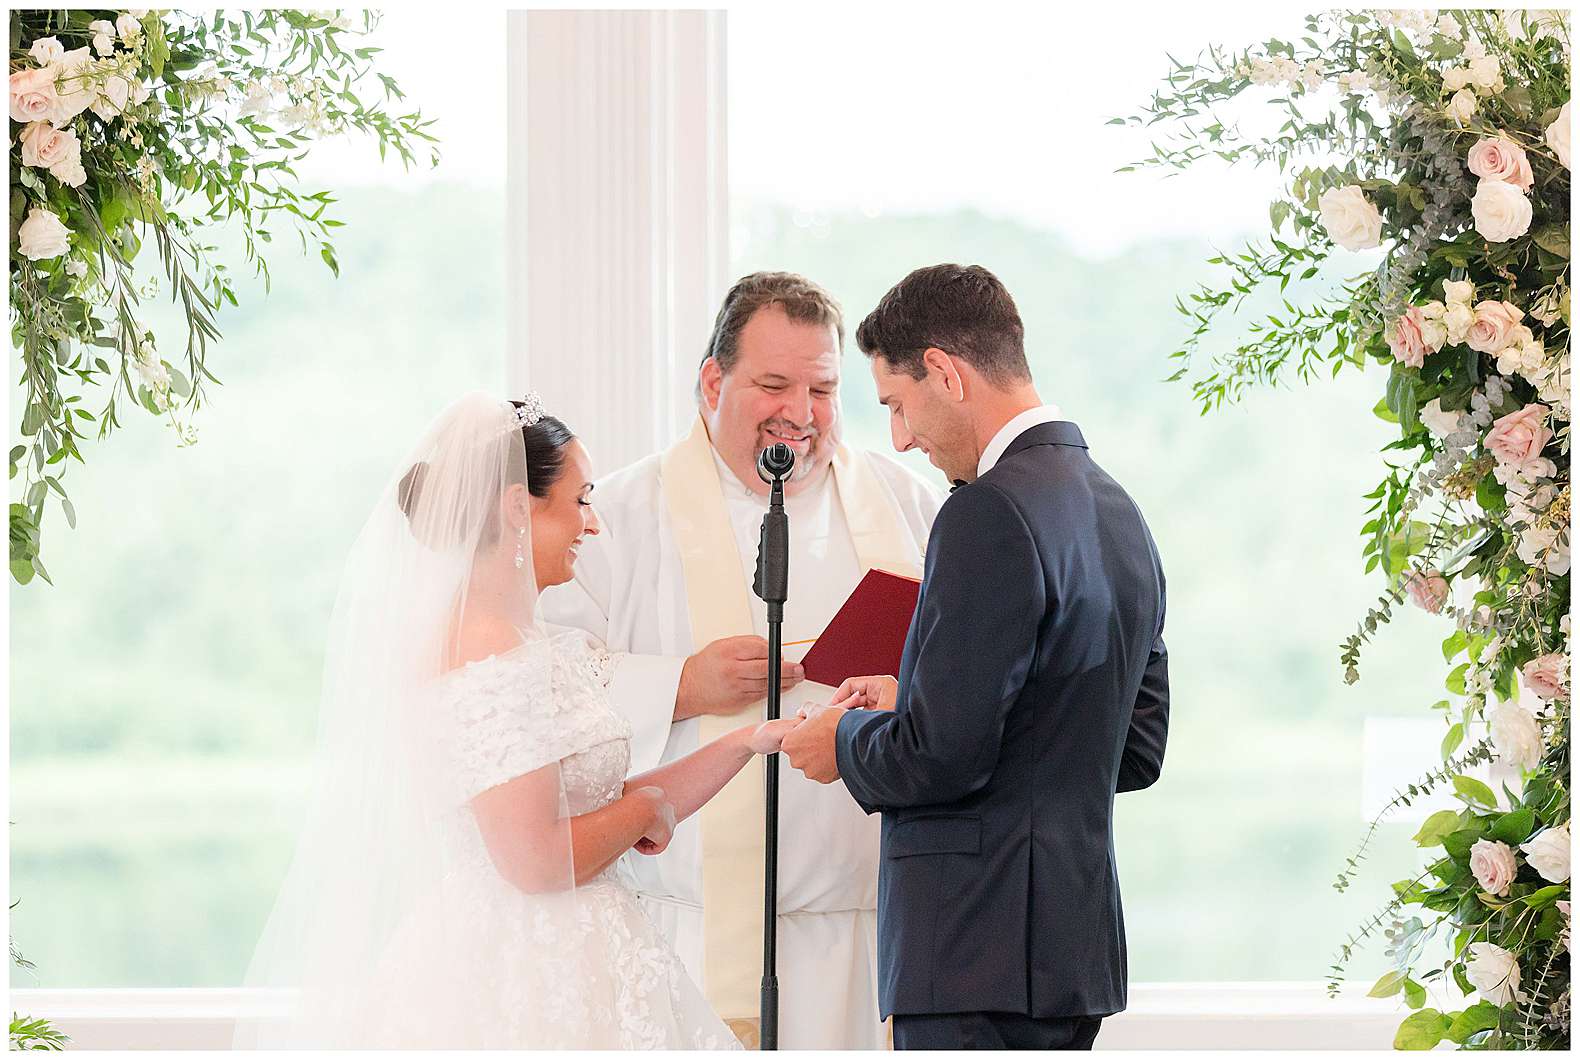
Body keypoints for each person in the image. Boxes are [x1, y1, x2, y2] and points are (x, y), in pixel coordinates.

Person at [236, 392, 797, 1049]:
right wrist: (643, 812)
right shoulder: (485, 647)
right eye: (582, 499)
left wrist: (756, 740)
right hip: (530, 972)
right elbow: (532, 858)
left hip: (581, 951)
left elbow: (590, 805)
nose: (594, 525)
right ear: (516, 509)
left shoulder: (525, 643)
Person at [540, 272, 944, 1047]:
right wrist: (682, 684)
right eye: (772, 384)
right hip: (692, 935)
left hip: (870, 925)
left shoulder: (905, 503)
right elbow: (548, 687)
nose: (799, 413)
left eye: (822, 389)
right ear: (712, 381)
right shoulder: (616, 516)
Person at [781, 264, 1170, 1051]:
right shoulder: (1118, 509)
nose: (900, 438)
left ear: (946, 373)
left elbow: (943, 758)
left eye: (896, 404)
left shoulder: (983, 514)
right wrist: (917, 696)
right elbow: (1134, 748)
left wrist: (843, 742)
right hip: (1070, 953)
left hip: (969, 948)